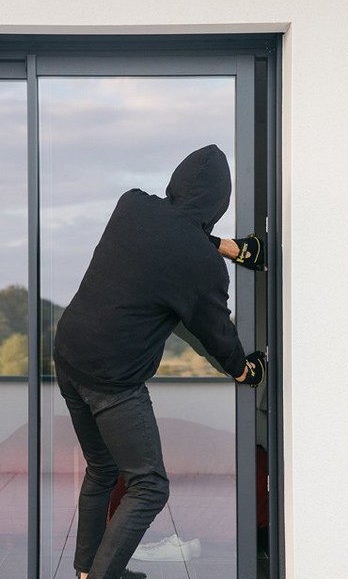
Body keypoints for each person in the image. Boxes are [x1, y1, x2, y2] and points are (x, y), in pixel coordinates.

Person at [54, 144, 265, 579]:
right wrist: (244, 369)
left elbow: (169, 235)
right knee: (149, 487)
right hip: (113, 380)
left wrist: (230, 249)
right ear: (219, 203)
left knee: (101, 469)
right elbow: (216, 331)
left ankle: (86, 570)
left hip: (69, 355)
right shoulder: (199, 265)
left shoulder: (131, 205)